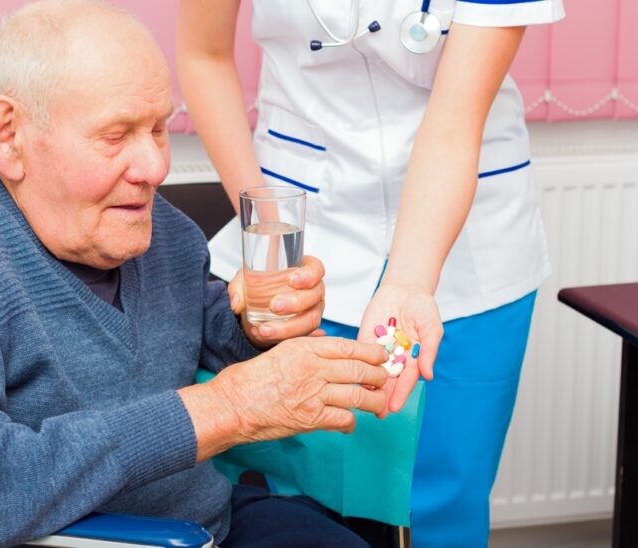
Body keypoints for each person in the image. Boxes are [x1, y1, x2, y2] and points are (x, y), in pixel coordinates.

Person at [0, 2, 393, 546]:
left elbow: (187, 326)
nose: (155, 167)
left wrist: (254, 329)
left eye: (160, 128)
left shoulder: (152, 223)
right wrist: (227, 409)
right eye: (116, 135)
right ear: (9, 135)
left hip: (198, 519)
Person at [177, 0, 565, 546]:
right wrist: (266, 231)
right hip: (300, 225)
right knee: (284, 498)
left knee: (436, 504)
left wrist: (407, 282)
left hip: (465, 248)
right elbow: (204, 52)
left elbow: (454, 122)